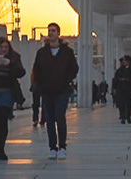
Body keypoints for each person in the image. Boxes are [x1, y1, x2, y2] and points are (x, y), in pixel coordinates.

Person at [32, 21, 79, 160]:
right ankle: (52, 147)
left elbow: (74, 69)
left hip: (62, 90)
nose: (51, 33)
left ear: (58, 33)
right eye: (49, 30)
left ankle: (62, 146)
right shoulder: (42, 53)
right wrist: (40, 85)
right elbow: (37, 70)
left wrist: (66, 80)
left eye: (53, 30)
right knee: (50, 120)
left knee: (60, 117)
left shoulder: (67, 52)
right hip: (47, 91)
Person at [112, 55, 131, 123]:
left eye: (125, 60)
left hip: (129, 89)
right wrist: (115, 88)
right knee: (122, 103)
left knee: (128, 103)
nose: (123, 62)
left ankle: (128, 117)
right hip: (121, 89)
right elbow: (115, 79)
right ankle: (123, 116)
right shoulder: (119, 70)